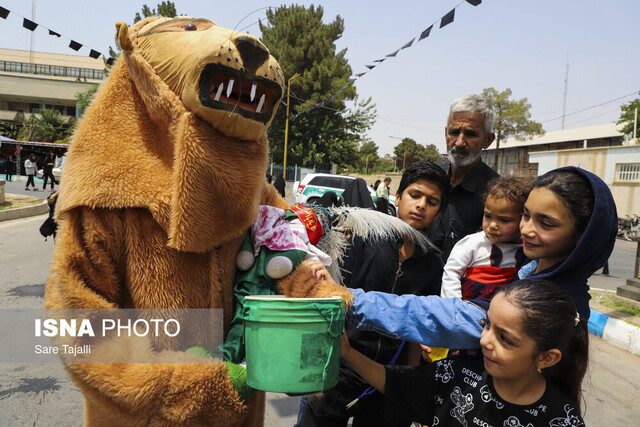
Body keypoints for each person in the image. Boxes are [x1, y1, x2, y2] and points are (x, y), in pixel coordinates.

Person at [294, 166, 617, 351]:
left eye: (546, 223)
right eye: (527, 217)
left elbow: (446, 317)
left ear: (583, 235)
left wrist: (349, 301)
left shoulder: (554, 300)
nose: (527, 230)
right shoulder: (528, 272)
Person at [298, 161, 450, 427]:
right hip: (336, 367)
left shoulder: (432, 262)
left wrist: (408, 376)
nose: (421, 205)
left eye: (432, 201)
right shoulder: (360, 237)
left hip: (385, 377)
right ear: (398, 198)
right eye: (415, 195)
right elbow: (330, 298)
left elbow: (416, 325)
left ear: (438, 213)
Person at [340, 279, 588, 426]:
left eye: (505, 339)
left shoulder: (561, 419)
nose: (485, 341)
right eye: (487, 325)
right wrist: (348, 352)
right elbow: (395, 382)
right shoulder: (460, 373)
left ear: (547, 357)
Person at [425, 94, 500, 261]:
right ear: (446, 133)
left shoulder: (497, 193)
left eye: (470, 134)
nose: (459, 142)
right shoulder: (428, 176)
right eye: (454, 132)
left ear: (488, 140)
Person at [441, 176, 532, 300]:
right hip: (468, 306)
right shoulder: (472, 243)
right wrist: (454, 306)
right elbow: (451, 273)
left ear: (524, 219)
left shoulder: (527, 248)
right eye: (488, 216)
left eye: (504, 220)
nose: (493, 225)